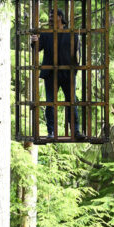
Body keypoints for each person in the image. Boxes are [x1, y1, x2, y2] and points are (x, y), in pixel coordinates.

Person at [30, 8, 84, 140]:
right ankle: (51, 132)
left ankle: (76, 131)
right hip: (51, 73)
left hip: (67, 73)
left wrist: (74, 69)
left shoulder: (71, 33)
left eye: (52, 16)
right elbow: (37, 49)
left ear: (60, 17)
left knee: (72, 102)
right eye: (49, 17)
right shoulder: (47, 33)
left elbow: (77, 50)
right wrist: (34, 41)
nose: (49, 19)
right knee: (50, 103)